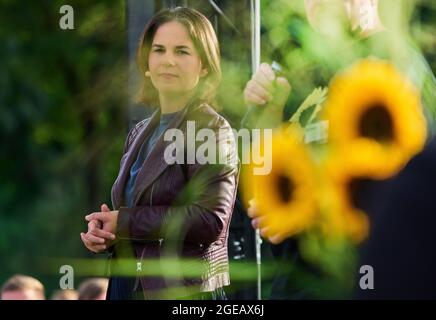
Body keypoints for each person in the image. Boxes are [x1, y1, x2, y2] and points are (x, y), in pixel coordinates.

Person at [242, 0, 436, 299]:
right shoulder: (305, 69)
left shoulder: (400, 72)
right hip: (301, 282)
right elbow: (278, 175)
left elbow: (412, 198)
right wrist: (266, 114)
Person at [80, 7, 238, 300]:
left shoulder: (211, 129)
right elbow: (138, 219)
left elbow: (210, 221)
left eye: (181, 52)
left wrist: (124, 220)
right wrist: (106, 235)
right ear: (147, 63)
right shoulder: (139, 131)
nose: (168, 61)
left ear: (204, 66)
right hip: (126, 287)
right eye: (159, 50)